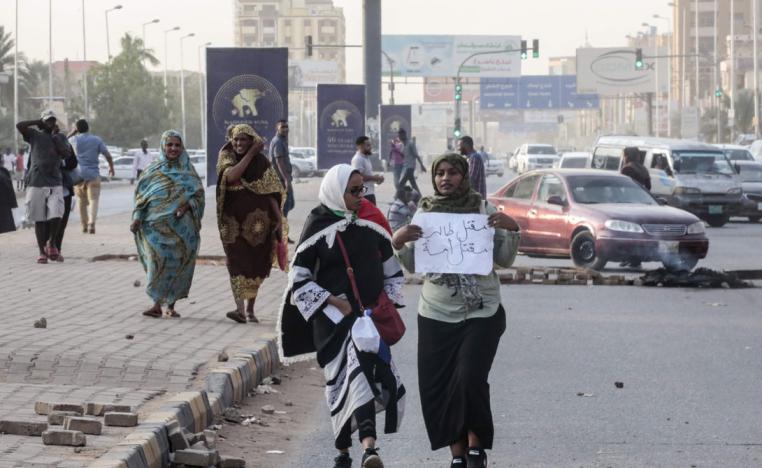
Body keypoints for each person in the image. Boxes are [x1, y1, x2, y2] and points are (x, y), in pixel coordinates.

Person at [392, 153, 521, 468]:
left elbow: (504, 260)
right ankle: (458, 455)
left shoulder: (482, 210)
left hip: (481, 312)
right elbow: (411, 265)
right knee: (441, 384)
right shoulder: (425, 212)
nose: (445, 178)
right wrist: (399, 242)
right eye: (439, 173)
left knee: (469, 378)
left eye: (452, 173)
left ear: (464, 177)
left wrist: (511, 227)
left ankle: (476, 448)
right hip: (435, 313)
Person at [278, 164, 406, 468]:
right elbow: (298, 280)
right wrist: (334, 301)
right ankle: (346, 449)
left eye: (363, 189)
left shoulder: (370, 222)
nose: (361, 196)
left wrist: (383, 303)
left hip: (367, 321)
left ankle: (367, 448)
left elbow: (393, 272)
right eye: (354, 191)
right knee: (344, 383)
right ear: (337, 191)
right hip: (332, 323)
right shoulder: (317, 224)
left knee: (363, 377)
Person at [130, 130, 205, 319]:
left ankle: (171, 304)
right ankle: (156, 304)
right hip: (154, 229)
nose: (173, 148)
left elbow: (199, 196)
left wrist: (187, 205)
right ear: (163, 146)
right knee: (157, 263)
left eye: (177, 145)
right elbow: (141, 198)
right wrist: (137, 217)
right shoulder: (152, 170)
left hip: (182, 230)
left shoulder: (188, 171)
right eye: (170, 145)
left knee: (176, 265)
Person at [217, 124, 286, 324]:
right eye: (236, 139)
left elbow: (273, 193)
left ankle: (250, 310)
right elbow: (230, 177)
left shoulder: (262, 162)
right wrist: (251, 153)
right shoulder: (226, 156)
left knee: (256, 263)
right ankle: (239, 309)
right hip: (233, 223)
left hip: (259, 226)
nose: (238, 143)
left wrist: (279, 221)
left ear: (251, 140)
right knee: (235, 261)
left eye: (244, 140)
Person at [16, 110, 66, 263]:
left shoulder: (60, 137)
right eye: (48, 121)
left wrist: (56, 138)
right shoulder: (34, 135)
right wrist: (38, 122)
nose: (51, 123)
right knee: (39, 218)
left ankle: (52, 242)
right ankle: (41, 251)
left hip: (55, 182)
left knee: (56, 214)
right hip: (36, 181)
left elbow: (66, 153)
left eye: (53, 120)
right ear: (43, 122)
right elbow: (20, 125)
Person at [68, 119, 114, 234]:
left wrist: (72, 132)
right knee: (94, 200)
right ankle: (91, 223)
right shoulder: (97, 140)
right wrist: (111, 167)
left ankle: (84, 225)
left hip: (78, 176)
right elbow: (107, 155)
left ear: (77, 129)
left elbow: (62, 140)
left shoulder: (74, 139)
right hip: (93, 175)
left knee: (82, 202)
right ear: (88, 128)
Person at [51, 125, 79, 262]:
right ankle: (48, 247)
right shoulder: (41, 144)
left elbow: (73, 163)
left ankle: (57, 248)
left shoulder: (66, 144)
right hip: (47, 187)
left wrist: (64, 161)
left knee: (62, 222)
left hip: (64, 189)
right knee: (50, 221)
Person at [269, 119, 294, 242]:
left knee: (288, 205)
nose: (285, 129)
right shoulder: (278, 142)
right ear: (277, 128)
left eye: (286, 127)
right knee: (284, 208)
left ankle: (281, 234)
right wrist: (286, 180)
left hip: (284, 179)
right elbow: (279, 162)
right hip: (280, 181)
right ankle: (281, 235)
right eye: (282, 127)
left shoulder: (282, 141)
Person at [351, 135, 385, 206]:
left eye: (370, 145)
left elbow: (367, 176)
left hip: (370, 192)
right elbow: (358, 177)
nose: (370, 147)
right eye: (368, 145)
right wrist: (374, 178)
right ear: (360, 146)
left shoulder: (365, 158)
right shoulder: (358, 159)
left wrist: (377, 179)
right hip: (364, 195)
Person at [0, 165, 16, 234]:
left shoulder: (4, 171)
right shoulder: (3, 171)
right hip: (5, 210)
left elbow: (10, 191)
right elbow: (11, 192)